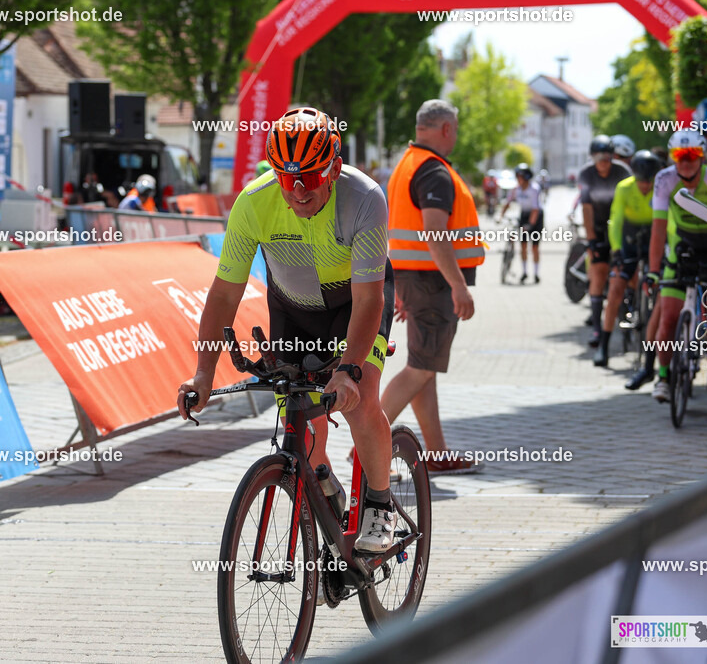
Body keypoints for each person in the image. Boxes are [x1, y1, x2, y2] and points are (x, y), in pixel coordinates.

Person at [177, 106, 399, 553]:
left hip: (355, 305)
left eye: (310, 178)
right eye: (286, 177)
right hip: (293, 311)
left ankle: (380, 504)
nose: (298, 191)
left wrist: (348, 370)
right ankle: (326, 490)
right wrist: (203, 373)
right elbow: (224, 295)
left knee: (359, 400)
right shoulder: (253, 203)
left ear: (334, 167)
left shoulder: (365, 197)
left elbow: (368, 300)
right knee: (300, 422)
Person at [383, 100, 485, 475]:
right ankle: (367, 443)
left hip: (414, 278)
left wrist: (400, 283)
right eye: (455, 129)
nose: (455, 136)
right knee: (420, 370)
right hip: (433, 282)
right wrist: (459, 286)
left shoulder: (408, 164)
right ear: (446, 129)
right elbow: (434, 233)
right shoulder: (434, 171)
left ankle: (437, 455)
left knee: (423, 368)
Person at [648, 129, 707, 401]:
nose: (685, 161)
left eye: (692, 155)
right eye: (679, 156)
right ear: (672, 157)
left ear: (702, 156)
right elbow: (658, 228)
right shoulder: (664, 179)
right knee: (668, 317)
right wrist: (653, 270)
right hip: (684, 246)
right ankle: (663, 376)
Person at [598, 150, 661, 369]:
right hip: (629, 240)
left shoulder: (662, 188)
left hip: (653, 238)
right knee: (616, 288)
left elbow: (670, 221)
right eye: (641, 181)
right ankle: (604, 345)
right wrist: (616, 250)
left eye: (649, 181)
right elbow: (615, 220)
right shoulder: (624, 187)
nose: (645, 186)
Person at [578, 135, 632, 348]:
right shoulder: (586, 174)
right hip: (599, 227)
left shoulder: (622, 171)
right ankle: (596, 328)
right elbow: (586, 208)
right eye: (599, 157)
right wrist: (591, 239)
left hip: (621, 226)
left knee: (628, 271)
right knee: (598, 273)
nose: (603, 162)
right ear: (592, 157)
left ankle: (631, 307)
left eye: (607, 157)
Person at [499, 163, 544, 284]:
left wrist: (530, 225)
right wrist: (500, 216)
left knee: (534, 247)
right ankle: (524, 272)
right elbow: (508, 203)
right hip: (524, 215)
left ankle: (536, 273)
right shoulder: (516, 189)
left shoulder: (534, 189)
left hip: (536, 217)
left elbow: (535, 209)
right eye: (517, 176)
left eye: (520, 176)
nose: (518, 179)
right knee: (523, 245)